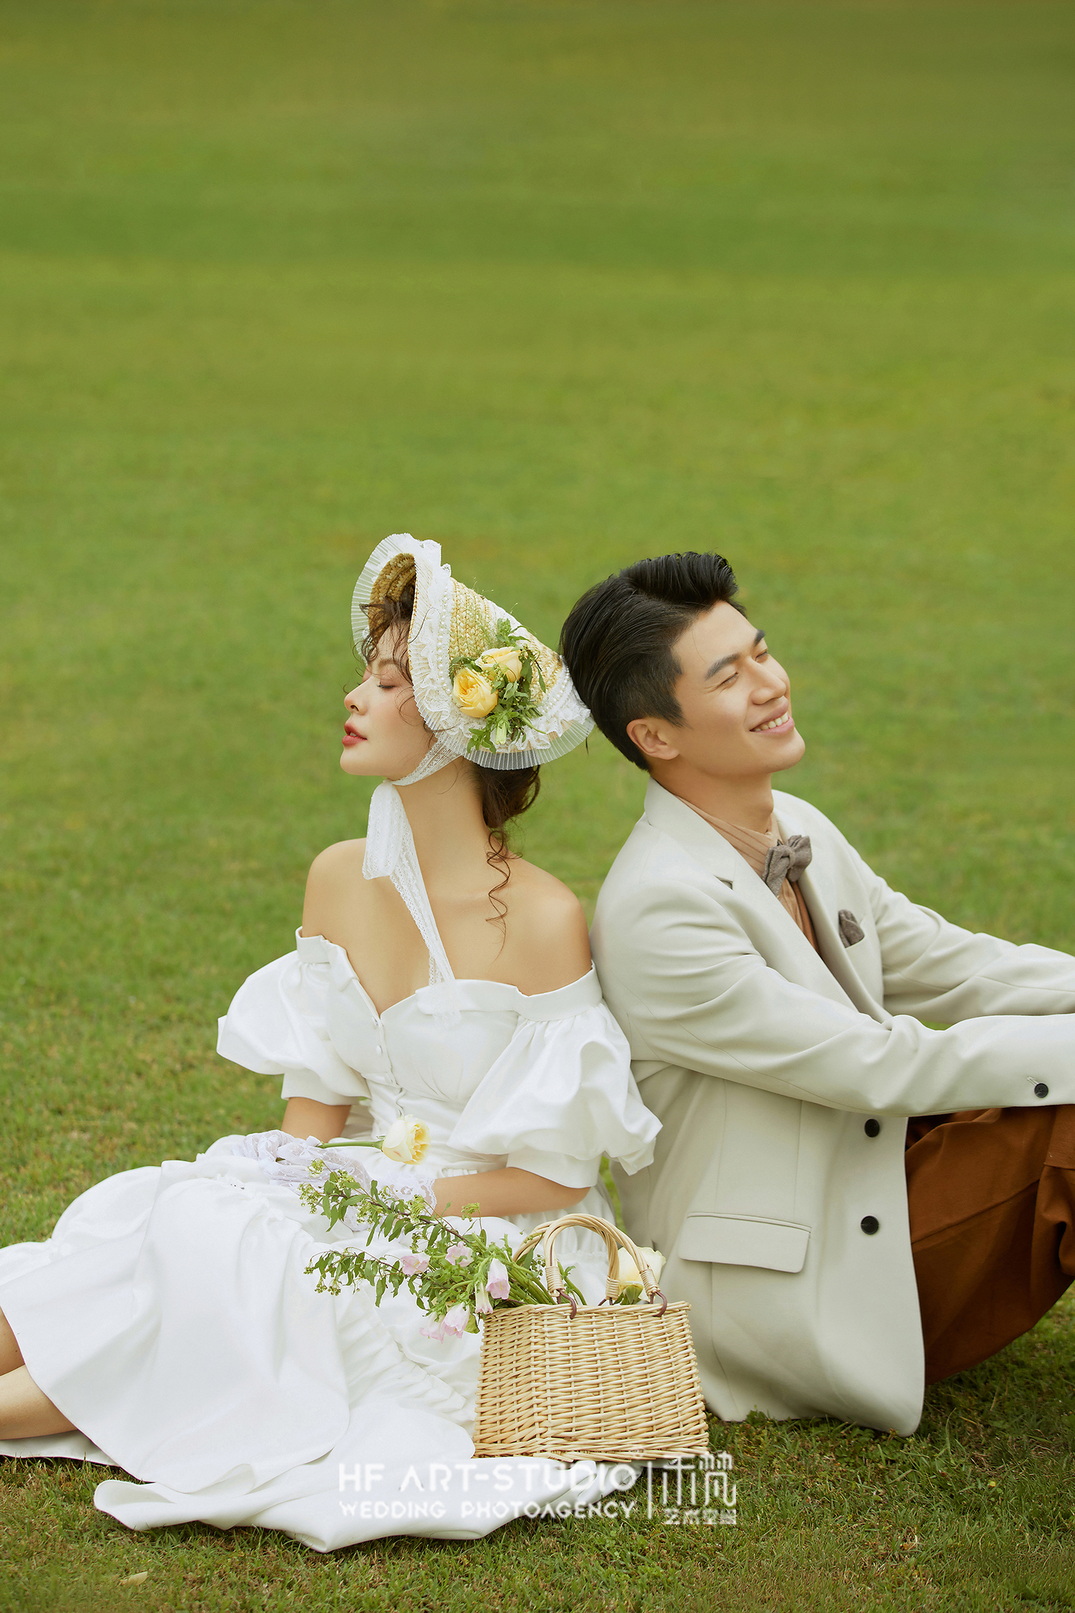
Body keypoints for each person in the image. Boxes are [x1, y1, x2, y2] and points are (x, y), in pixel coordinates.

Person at [0, 535, 659, 1549]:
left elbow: (556, 1170)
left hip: (486, 1226)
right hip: (366, 1179)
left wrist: (391, 1200)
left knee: (255, 1276)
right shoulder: (338, 877)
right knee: (178, 1220)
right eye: (368, 674)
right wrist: (285, 1179)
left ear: (455, 727)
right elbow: (315, 1104)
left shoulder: (541, 918)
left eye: (391, 683)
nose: (356, 695)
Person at [560, 550, 1075, 1437]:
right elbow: (874, 1064)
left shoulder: (798, 825)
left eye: (761, 652)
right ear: (656, 735)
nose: (770, 684)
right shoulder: (656, 908)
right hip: (784, 1277)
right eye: (729, 676)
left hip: (868, 1170)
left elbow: (945, 960)